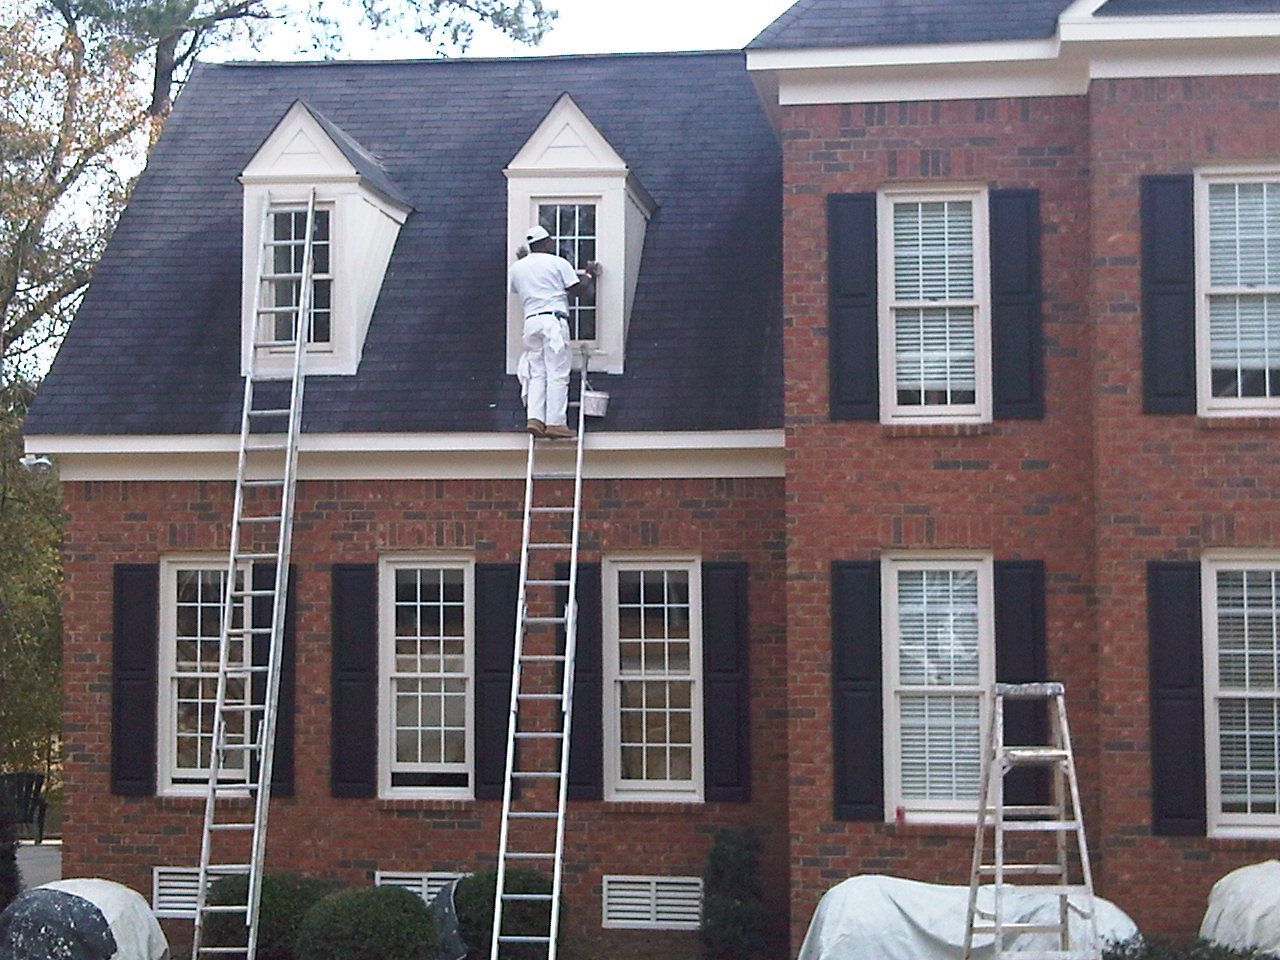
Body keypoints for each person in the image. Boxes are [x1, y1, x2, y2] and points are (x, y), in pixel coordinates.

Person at [509, 225, 599, 439]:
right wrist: (589, 273)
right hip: (553, 323)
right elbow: (578, 290)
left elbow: (517, 287)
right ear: (547, 242)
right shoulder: (558, 263)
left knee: (537, 373)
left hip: (531, 323)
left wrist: (523, 261)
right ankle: (556, 423)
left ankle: (535, 418)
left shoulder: (517, 267)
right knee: (557, 373)